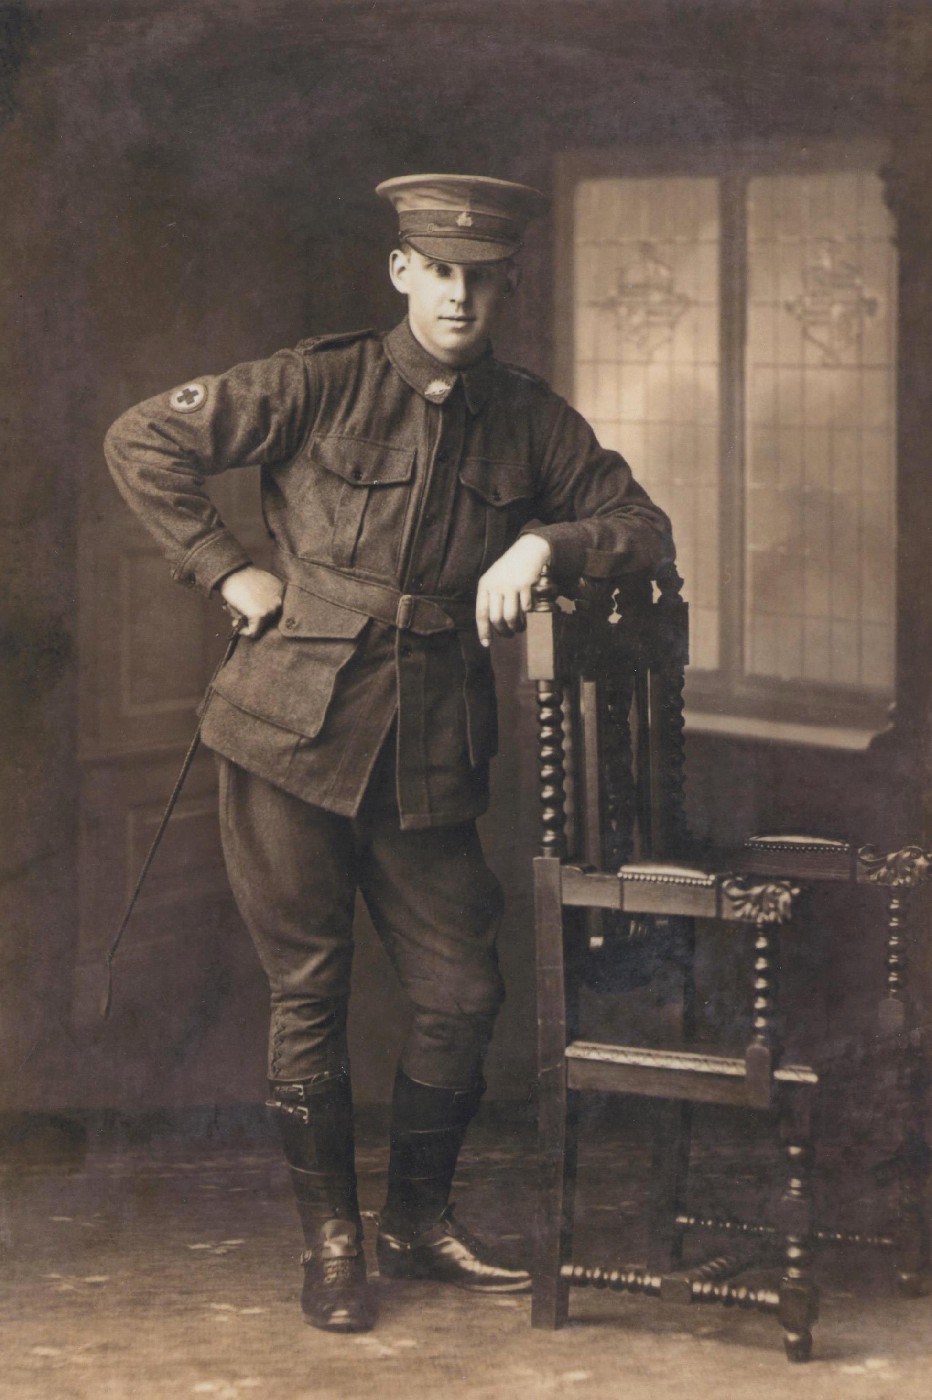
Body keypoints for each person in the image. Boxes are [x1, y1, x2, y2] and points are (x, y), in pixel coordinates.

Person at [104, 173, 674, 1334]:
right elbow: (141, 438)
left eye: (483, 275)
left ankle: (417, 1219)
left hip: (429, 745)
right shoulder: (318, 380)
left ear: (506, 282)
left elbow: (641, 529)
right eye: (440, 271)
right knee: (308, 989)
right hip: (287, 729)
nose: (460, 294)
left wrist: (543, 542)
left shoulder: (529, 419)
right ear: (401, 270)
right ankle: (332, 1242)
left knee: (462, 988)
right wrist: (226, 567)